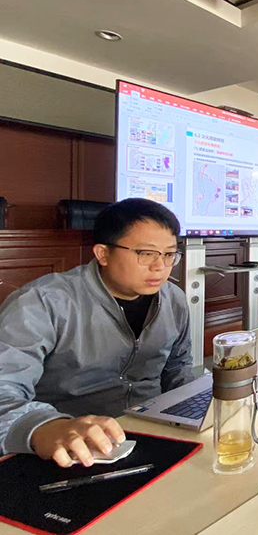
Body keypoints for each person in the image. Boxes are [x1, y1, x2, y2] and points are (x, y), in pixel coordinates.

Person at [0, 198, 194, 467]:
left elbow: (178, 368)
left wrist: (199, 410)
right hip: (71, 447)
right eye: (146, 253)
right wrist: (46, 426)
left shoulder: (174, 299)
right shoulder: (42, 302)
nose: (160, 267)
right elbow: (4, 390)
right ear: (103, 253)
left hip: (153, 433)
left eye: (169, 254)